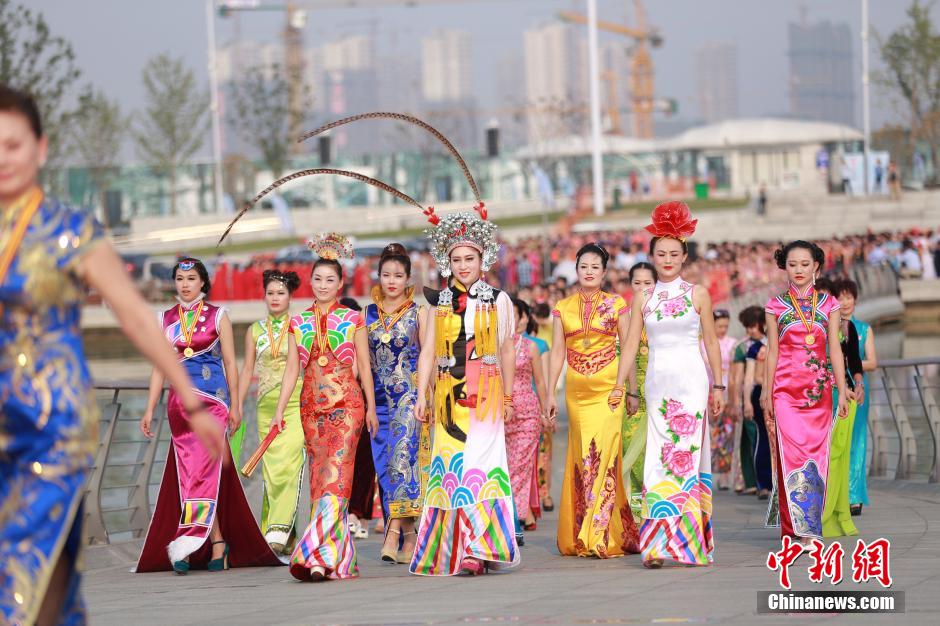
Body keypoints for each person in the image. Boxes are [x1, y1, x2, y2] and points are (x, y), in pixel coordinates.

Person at [0, 84, 224, 625]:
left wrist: (191, 401)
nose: (2, 159)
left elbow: (136, 320)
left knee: (26, 575)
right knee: (47, 584)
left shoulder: (70, 232)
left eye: (13, 145)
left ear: (41, 149)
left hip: (51, 426)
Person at [137, 258, 280, 574]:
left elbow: (231, 364)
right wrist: (149, 408)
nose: (184, 284)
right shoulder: (166, 319)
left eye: (191, 278)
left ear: (203, 282)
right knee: (193, 474)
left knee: (201, 470)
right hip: (179, 407)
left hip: (213, 404)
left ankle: (188, 542)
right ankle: (216, 539)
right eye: (179, 278)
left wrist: (237, 405)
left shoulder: (219, 316)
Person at [412, 207, 519, 576]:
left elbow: (506, 350)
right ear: (447, 262)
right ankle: (457, 548)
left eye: (469, 258)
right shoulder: (436, 303)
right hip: (447, 397)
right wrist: (421, 395)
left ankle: (482, 546)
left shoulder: (498, 300)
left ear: (482, 259)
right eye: (456, 259)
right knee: (450, 470)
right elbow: (427, 351)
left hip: (486, 395)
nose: (462, 265)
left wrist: (507, 398)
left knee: (483, 467)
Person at [620, 201, 724, 568]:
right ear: (651, 256)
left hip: (692, 382)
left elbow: (711, 341)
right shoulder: (643, 297)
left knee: (685, 457)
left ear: (684, 257)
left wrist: (719, 386)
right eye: (660, 254)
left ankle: (687, 543)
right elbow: (631, 343)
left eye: (673, 254)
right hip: (658, 383)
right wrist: (622, 384)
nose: (667, 259)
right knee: (657, 460)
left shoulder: (697, 294)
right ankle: (656, 543)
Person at [270, 234, 378, 581]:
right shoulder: (297, 322)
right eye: (317, 279)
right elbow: (291, 371)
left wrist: (372, 410)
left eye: (330, 280)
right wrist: (278, 411)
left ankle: (313, 553)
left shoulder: (353, 320)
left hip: (348, 406)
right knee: (320, 481)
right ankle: (335, 558)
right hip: (310, 410)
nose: (323, 285)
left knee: (337, 478)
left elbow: (364, 366)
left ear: (341, 282)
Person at [547, 243, 640, 559]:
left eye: (595, 267)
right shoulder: (562, 308)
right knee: (584, 458)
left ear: (604, 272)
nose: (589, 271)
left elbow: (628, 347)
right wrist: (549, 392)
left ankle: (596, 532)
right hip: (576, 393)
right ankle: (588, 527)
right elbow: (557, 352)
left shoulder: (617, 305)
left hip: (609, 390)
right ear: (576, 270)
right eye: (583, 266)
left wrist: (631, 388)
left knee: (604, 455)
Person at [761, 241, 849, 546]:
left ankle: (809, 529)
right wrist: (766, 392)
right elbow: (772, 351)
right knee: (790, 456)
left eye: (805, 264)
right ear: (784, 267)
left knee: (816, 457)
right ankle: (793, 528)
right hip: (784, 392)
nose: (798, 270)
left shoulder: (829, 305)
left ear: (817, 268)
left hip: (818, 392)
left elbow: (834, 349)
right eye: (793, 264)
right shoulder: (775, 306)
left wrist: (843, 386)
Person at [364, 243, 429, 564]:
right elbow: (362, 363)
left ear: (408, 278)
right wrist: (366, 405)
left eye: (398, 275)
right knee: (385, 468)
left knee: (403, 461)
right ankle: (410, 535)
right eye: (386, 274)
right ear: (378, 276)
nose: (391, 280)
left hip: (409, 396)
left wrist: (426, 397)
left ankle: (392, 532)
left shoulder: (419, 313)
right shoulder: (367, 315)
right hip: (378, 401)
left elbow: (428, 357)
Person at [236, 269, 306, 556]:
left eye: (281, 293)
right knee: (271, 469)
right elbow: (247, 370)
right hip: (265, 406)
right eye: (271, 293)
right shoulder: (254, 330)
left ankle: (277, 529)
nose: (275, 298)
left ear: (290, 296)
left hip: (294, 403)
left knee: (289, 464)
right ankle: (285, 533)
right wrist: (237, 406)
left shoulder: (300, 326)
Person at [823, 278, 863, 538]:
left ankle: (837, 515)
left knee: (840, 456)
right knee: (824, 459)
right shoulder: (809, 327)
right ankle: (819, 516)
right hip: (817, 397)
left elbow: (855, 361)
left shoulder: (845, 328)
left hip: (845, 397)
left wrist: (858, 385)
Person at [507, 298, 551, 533]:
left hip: (527, 414)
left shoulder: (530, 347)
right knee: (503, 467)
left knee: (520, 468)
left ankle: (517, 519)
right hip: (498, 414)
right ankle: (507, 517)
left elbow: (540, 383)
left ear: (521, 318)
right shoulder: (489, 347)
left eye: (513, 314)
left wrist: (546, 413)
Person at [836, 279, 877, 516]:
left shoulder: (863, 329)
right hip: (836, 387)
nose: (845, 302)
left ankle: (854, 495)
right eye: (840, 298)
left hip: (858, 389)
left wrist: (853, 364)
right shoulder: (830, 327)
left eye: (849, 297)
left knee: (857, 440)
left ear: (855, 299)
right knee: (838, 441)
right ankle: (837, 493)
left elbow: (873, 361)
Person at [623, 262, 657, 519]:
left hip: (660, 394)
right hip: (631, 397)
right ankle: (634, 513)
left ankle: (655, 507)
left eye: (648, 283)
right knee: (631, 452)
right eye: (637, 283)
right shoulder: (621, 316)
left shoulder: (667, 315)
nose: (643, 288)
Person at [728, 306, 763, 495]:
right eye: (748, 327)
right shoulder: (742, 347)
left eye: (754, 325)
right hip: (747, 397)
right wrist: (734, 401)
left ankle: (761, 480)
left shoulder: (772, 342)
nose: (751, 330)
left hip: (767, 393)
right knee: (751, 436)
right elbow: (736, 378)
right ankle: (754, 481)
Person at [742, 317, 772, 499]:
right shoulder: (756, 349)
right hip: (763, 394)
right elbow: (751, 377)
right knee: (763, 437)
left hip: (781, 394)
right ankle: (764, 482)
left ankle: (772, 483)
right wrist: (746, 401)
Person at [708, 309, 738, 491]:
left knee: (727, 434)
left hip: (726, 390)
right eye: (719, 326)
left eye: (726, 326)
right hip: (708, 391)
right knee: (710, 434)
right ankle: (707, 474)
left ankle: (725, 476)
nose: (722, 329)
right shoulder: (703, 343)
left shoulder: (733, 344)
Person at [532, 301, 557, 512]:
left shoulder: (540, 344)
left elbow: (547, 378)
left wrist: (549, 403)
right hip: (517, 404)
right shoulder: (504, 344)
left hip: (540, 402)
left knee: (544, 450)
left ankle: (545, 493)